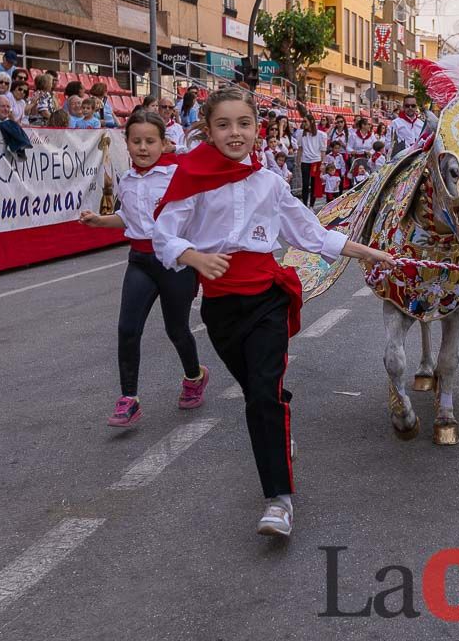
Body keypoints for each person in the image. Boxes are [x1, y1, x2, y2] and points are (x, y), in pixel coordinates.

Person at [151, 85, 392, 537]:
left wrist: (365, 252)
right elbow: (163, 234)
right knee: (257, 392)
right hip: (220, 307)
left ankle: (278, 501)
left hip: (267, 298)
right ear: (208, 130)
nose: (234, 132)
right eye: (223, 124)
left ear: (257, 128)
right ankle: (279, 431)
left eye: (243, 123)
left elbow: (309, 233)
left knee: (262, 394)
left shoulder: (269, 182)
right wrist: (193, 257)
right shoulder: (188, 178)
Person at [79, 110, 207, 428]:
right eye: (136, 141)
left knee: (176, 330)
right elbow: (128, 218)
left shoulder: (179, 173)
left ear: (164, 143)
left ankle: (195, 376)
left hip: (176, 262)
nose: (143, 147)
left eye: (150, 141)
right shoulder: (128, 178)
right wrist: (99, 221)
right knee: (127, 328)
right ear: (127, 144)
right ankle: (129, 399)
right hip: (140, 261)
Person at [295, 103, 325, 206]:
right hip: (305, 161)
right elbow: (300, 148)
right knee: (305, 184)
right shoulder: (300, 133)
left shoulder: (321, 135)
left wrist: (323, 163)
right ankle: (304, 204)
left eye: (305, 121)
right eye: (303, 121)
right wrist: (298, 162)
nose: (304, 123)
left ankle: (311, 205)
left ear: (311, 121)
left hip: (316, 161)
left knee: (313, 184)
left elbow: (323, 150)